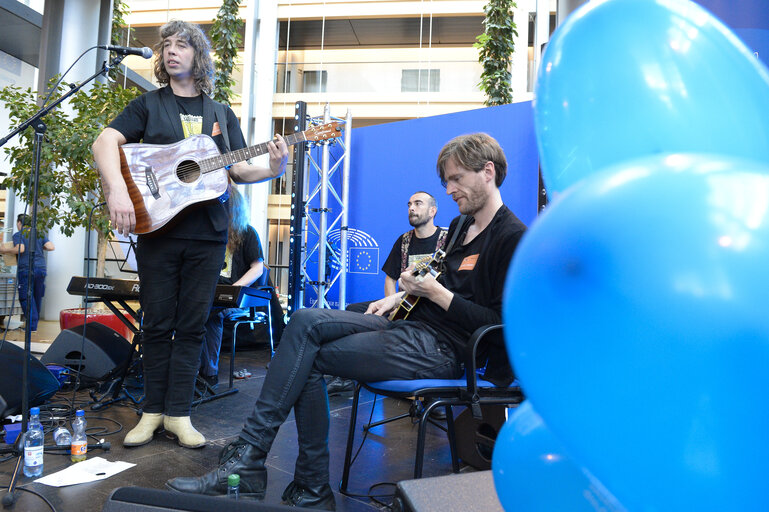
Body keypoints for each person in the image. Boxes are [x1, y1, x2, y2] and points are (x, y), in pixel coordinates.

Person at [166, 133, 527, 509]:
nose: (450, 189)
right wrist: (400, 296)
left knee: (309, 358)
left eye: (457, 179)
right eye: (446, 181)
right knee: (304, 320)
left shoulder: (512, 237)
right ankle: (275, 470)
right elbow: (439, 286)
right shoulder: (458, 229)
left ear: (488, 172)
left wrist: (436, 293)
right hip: (412, 326)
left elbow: (499, 328)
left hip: (446, 351)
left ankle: (277, 472)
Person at [92, 20, 288, 449]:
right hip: (158, 232)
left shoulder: (220, 113)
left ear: (199, 56)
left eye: (182, 45)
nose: (171, 52)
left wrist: (273, 169)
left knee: (193, 324)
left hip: (208, 235)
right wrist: (118, 190)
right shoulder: (149, 104)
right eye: (167, 46)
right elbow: (104, 142)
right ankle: (151, 412)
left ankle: (179, 414)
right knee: (157, 323)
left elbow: (237, 167)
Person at [327, 191, 448, 395]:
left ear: (433, 210)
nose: (411, 208)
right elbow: (390, 279)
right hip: (403, 305)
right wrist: (393, 307)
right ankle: (344, 377)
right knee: (353, 310)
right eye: (409, 204)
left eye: (418, 204)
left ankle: (430, 392)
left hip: (430, 309)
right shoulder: (404, 241)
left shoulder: (446, 240)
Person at [199, 184, 265, 388]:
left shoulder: (247, 232)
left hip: (233, 297)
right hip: (206, 293)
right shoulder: (207, 232)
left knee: (213, 314)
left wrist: (234, 288)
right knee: (197, 310)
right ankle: (189, 370)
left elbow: (258, 268)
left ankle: (209, 373)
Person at [0, 214, 55, 332]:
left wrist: (5, 250)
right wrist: (38, 246)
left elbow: (20, 249)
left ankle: (31, 327)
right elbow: (50, 247)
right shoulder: (38, 233)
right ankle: (33, 325)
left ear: (19, 223)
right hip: (41, 269)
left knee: (26, 298)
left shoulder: (19, 235)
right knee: (36, 296)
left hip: (26, 269)